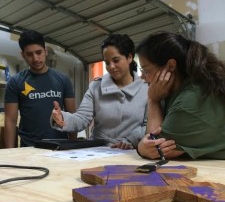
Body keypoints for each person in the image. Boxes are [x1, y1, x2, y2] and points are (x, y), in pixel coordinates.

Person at [136, 31, 225, 160]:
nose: (142, 77)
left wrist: (153, 101)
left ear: (170, 66)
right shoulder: (176, 92)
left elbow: (155, 149)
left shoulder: (190, 100)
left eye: (146, 70)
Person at [51, 33, 148, 149]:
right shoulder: (96, 87)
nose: (111, 66)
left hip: (132, 151)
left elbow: (149, 125)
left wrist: (131, 140)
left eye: (116, 60)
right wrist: (62, 118)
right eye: (107, 63)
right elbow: (82, 118)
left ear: (130, 57)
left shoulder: (147, 88)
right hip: (98, 149)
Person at [4, 30, 76, 147]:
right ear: (23, 55)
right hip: (29, 148)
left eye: (39, 52)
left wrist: (73, 145)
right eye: (29, 54)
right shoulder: (15, 82)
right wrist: (10, 152)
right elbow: (10, 121)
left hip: (59, 146)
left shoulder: (63, 80)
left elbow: (72, 116)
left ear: (45, 51)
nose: (36, 58)